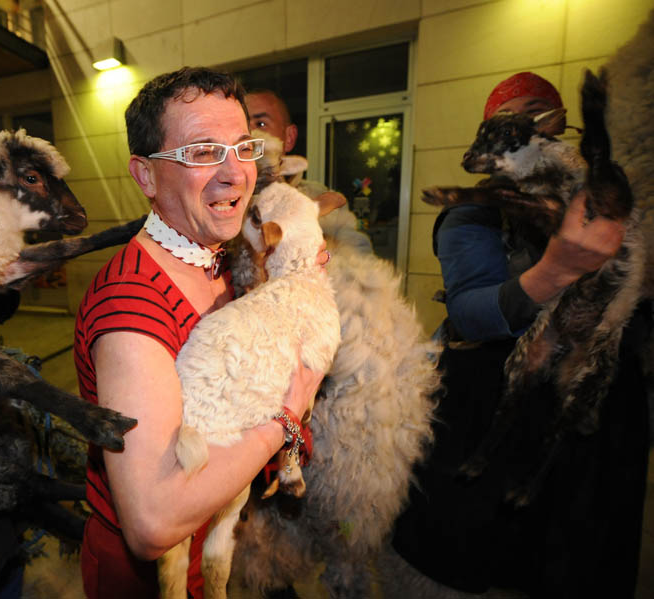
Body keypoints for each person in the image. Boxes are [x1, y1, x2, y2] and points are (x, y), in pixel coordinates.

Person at [390, 71, 650, 598]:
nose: (535, 125)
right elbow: (472, 311)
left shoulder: (600, 202)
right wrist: (554, 270)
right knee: (466, 560)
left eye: (544, 113)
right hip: (492, 404)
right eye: (515, 115)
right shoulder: (473, 215)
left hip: (587, 419)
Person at [73, 67, 327, 598]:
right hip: (146, 579)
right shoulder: (131, 304)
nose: (236, 174)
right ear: (145, 176)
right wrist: (283, 419)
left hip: (208, 551)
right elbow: (152, 524)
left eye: (242, 148)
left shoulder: (220, 260)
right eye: (203, 153)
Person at [245, 89, 373, 254]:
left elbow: (361, 260)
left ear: (289, 137)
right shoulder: (225, 200)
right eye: (243, 126)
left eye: (261, 124)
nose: (249, 136)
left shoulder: (323, 202)